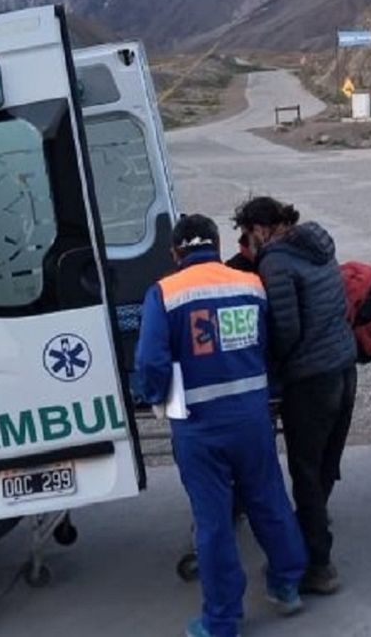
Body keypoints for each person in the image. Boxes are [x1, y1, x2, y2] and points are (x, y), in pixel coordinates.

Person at [135, 214, 307, 637]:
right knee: (269, 500)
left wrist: (156, 396)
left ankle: (222, 620)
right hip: (251, 417)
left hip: (199, 425)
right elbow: (265, 345)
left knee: (213, 522)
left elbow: (150, 364)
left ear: (176, 252)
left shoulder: (165, 292)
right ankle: (286, 585)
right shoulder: (249, 284)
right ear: (215, 244)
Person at [232, 197, 357, 597]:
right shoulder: (319, 243)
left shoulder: (275, 263)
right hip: (344, 366)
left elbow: (286, 330)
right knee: (323, 464)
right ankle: (314, 529)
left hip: (311, 380)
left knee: (304, 470)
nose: (248, 243)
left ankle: (318, 567)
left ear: (261, 229)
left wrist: (267, 367)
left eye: (248, 234)